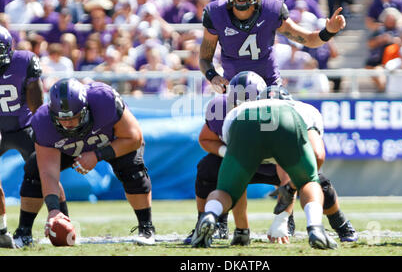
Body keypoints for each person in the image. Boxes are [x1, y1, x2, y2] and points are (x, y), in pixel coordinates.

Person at [190, 87, 337, 249]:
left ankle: (211, 214)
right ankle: (315, 226)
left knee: (227, 191)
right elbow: (318, 154)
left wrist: (242, 231)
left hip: (242, 122)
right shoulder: (305, 109)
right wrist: (295, 186)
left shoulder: (238, 109)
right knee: (309, 182)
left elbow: (213, 140)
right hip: (288, 120)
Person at [22, 78, 156, 246]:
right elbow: (48, 172)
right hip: (70, 146)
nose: (68, 124)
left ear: (85, 109)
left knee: (133, 171)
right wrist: (53, 209)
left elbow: (134, 138)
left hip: (113, 140)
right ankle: (24, 232)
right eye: (62, 120)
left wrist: (96, 155)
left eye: (73, 118)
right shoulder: (43, 121)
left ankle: (146, 228)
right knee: (33, 171)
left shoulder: (103, 98)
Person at [184, 71, 294, 246]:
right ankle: (206, 222)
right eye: (237, 105)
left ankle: (336, 223)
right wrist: (225, 152)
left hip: (272, 162)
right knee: (207, 167)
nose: (242, 111)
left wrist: (282, 218)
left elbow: (289, 166)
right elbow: (205, 139)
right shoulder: (219, 109)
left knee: (311, 178)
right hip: (239, 159)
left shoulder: (278, 113)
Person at [198, 0, 346, 93]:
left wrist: (329, 31)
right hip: (233, 87)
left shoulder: (270, 10)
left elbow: (308, 39)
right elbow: (205, 58)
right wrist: (213, 76)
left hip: (269, 87)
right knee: (214, 119)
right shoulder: (216, 13)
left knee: (289, 121)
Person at [260, 85, 357, 244]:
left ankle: (339, 222)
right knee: (215, 174)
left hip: (289, 159)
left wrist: (291, 186)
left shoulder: (304, 113)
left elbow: (316, 155)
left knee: (321, 185)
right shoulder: (247, 117)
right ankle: (222, 223)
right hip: (257, 161)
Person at [0, 25, 64, 248]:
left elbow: (37, 104)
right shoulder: (23, 60)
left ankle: (62, 218)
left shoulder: (24, 61)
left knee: (47, 172)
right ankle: (3, 230)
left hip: (24, 126)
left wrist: (43, 128)